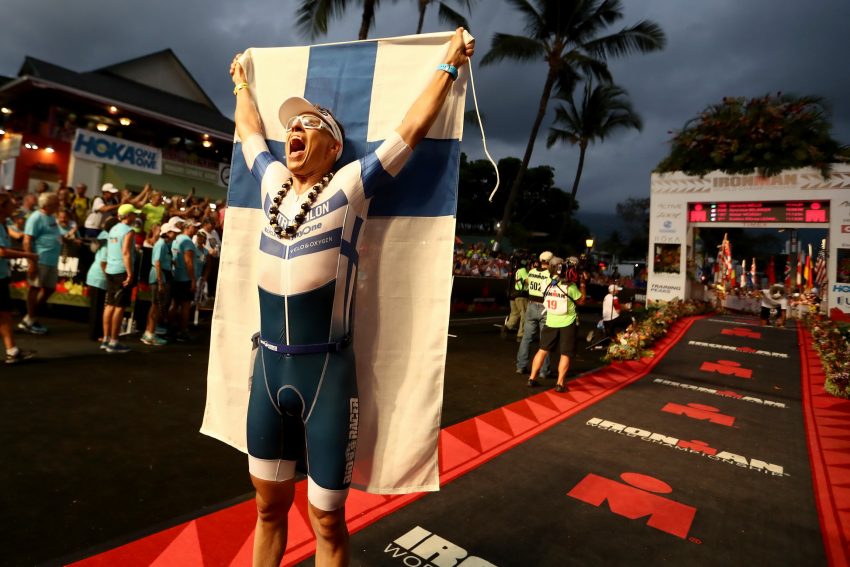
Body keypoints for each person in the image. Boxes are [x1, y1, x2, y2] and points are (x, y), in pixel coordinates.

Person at [230, 27, 473, 567]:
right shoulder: (271, 183)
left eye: (309, 124)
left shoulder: (349, 185)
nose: (294, 130)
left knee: (326, 522)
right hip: (266, 368)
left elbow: (410, 130)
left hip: (326, 377)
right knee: (267, 509)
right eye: (291, 126)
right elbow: (249, 132)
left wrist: (448, 64)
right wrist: (241, 84)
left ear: (334, 147)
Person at [528, 256, 585, 392]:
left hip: (551, 320)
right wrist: (583, 284)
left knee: (542, 350)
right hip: (567, 322)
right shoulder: (570, 286)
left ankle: (532, 378)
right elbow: (581, 301)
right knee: (565, 353)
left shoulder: (545, 283)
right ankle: (560, 383)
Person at [0, 191, 38, 363]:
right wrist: (28, 255)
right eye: (11, 204)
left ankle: (12, 351)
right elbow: (2, 252)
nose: (14, 206)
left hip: (1, 277)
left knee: (4, 314)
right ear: (2, 207)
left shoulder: (3, 225)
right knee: (4, 314)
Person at [21, 192, 62, 334]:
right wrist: (31, 263)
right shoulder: (36, 217)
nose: (58, 205)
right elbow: (27, 241)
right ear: (47, 205)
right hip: (40, 259)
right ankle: (31, 319)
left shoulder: (51, 216)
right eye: (56, 202)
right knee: (35, 288)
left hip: (52, 260)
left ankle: (30, 318)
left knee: (49, 289)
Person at [102, 204, 140, 353]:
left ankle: (106, 339)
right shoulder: (129, 231)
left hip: (110, 270)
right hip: (121, 271)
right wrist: (130, 273)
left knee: (110, 305)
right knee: (119, 306)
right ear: (128, 216)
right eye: (134, 214)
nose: (135, 217)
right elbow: (126, 253)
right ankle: (114, 342)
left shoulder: (113, 229)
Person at [142, 221, 180, 346]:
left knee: (155, 306)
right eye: (173, 232)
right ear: (167, 233)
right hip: (159, 277)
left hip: (162, 276)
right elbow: (157, 262)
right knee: (155, 306)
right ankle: (150, 334)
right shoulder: (161, 244)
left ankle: (149, 332)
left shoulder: (165, 244)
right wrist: (160, 282)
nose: (175, 234)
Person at [516, 251, 552, 378]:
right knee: (545, 341)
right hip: (545, 306)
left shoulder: (531, 272)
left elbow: (527, 283)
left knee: (526, 338)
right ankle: (543, 370)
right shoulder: (550, 274)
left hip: (531, 305)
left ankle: (521, 366)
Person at [85, 218, 118, 342]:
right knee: (96, 308)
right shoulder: (108, 240)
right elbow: (103, 262)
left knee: (98, 307)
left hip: (98, 277)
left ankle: (98, 333)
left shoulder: (105, 236)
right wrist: (110, 279)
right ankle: (94, 335)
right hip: (98, 277)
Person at [169, 219, 198, 341]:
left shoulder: (176, 239)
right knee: (185, 306)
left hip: (176, 276)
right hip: (185, 278)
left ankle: (171, 329)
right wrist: (193, 279)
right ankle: (182, 331)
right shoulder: (187, 242)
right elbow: (188, 261)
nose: (196, 229)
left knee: (175, 304)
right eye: (194, 227)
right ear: (187, 227)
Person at [503, 254, 529, 342]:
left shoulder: (514, 270)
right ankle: (521, 334)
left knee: (514, 313)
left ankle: (507, 327)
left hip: (513, 295)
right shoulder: (522, 270)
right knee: (524, 315)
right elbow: (527, 281)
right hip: (521, 295)